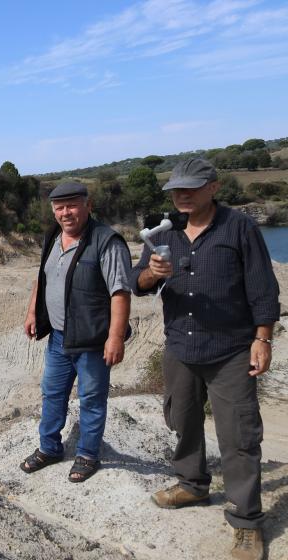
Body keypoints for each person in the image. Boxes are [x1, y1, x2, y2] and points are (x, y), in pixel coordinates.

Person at [130, 158, 279, 560]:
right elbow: (136, 282)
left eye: (191, 188)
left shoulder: (239, 228)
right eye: (177, 188)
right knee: (182, 419)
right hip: (180, 347)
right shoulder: (165, 231)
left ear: (213, 187)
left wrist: (262, 338)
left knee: (239, 436)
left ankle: (246, 521)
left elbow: (263, 288)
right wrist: (152, 275)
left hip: (230, 350)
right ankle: (193, 485)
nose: (182, 195)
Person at [21, 182, 132, 482]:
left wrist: (115, 337)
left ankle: (86, 455)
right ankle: (49, 448)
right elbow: (42, 278)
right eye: (59, 207)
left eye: (72, 205)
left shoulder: (107, 242)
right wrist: (33, 311)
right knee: (52, 394)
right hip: (58, 338)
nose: (65, 212)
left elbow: (120, 292)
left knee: (92, 399)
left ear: (88, 205)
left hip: (93, 341)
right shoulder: (53, 237)